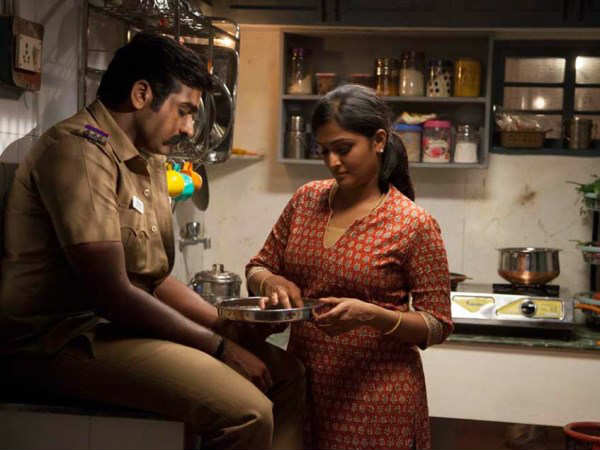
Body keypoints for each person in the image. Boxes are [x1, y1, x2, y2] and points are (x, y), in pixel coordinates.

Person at [0, 33, 304, 450]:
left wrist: (223, 325)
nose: (189, 128)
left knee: (287, 374)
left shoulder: (147, 161)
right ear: (142, 94)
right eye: (184, 111)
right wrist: (220, 347)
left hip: (111, 331)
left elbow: (153, 280)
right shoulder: (78, 151)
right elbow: (112, 293)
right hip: (55, 342)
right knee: (249, 412)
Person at [246, 84, 453, 450]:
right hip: (302, 386)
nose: (333, 162)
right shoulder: (306, 200)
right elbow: (258, 266)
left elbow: (437, 324)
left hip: (375, 401)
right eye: (324, 150)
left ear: (378, 140)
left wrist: (371, 315)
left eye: (343, 149)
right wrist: (270, 282)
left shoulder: (412, 223)